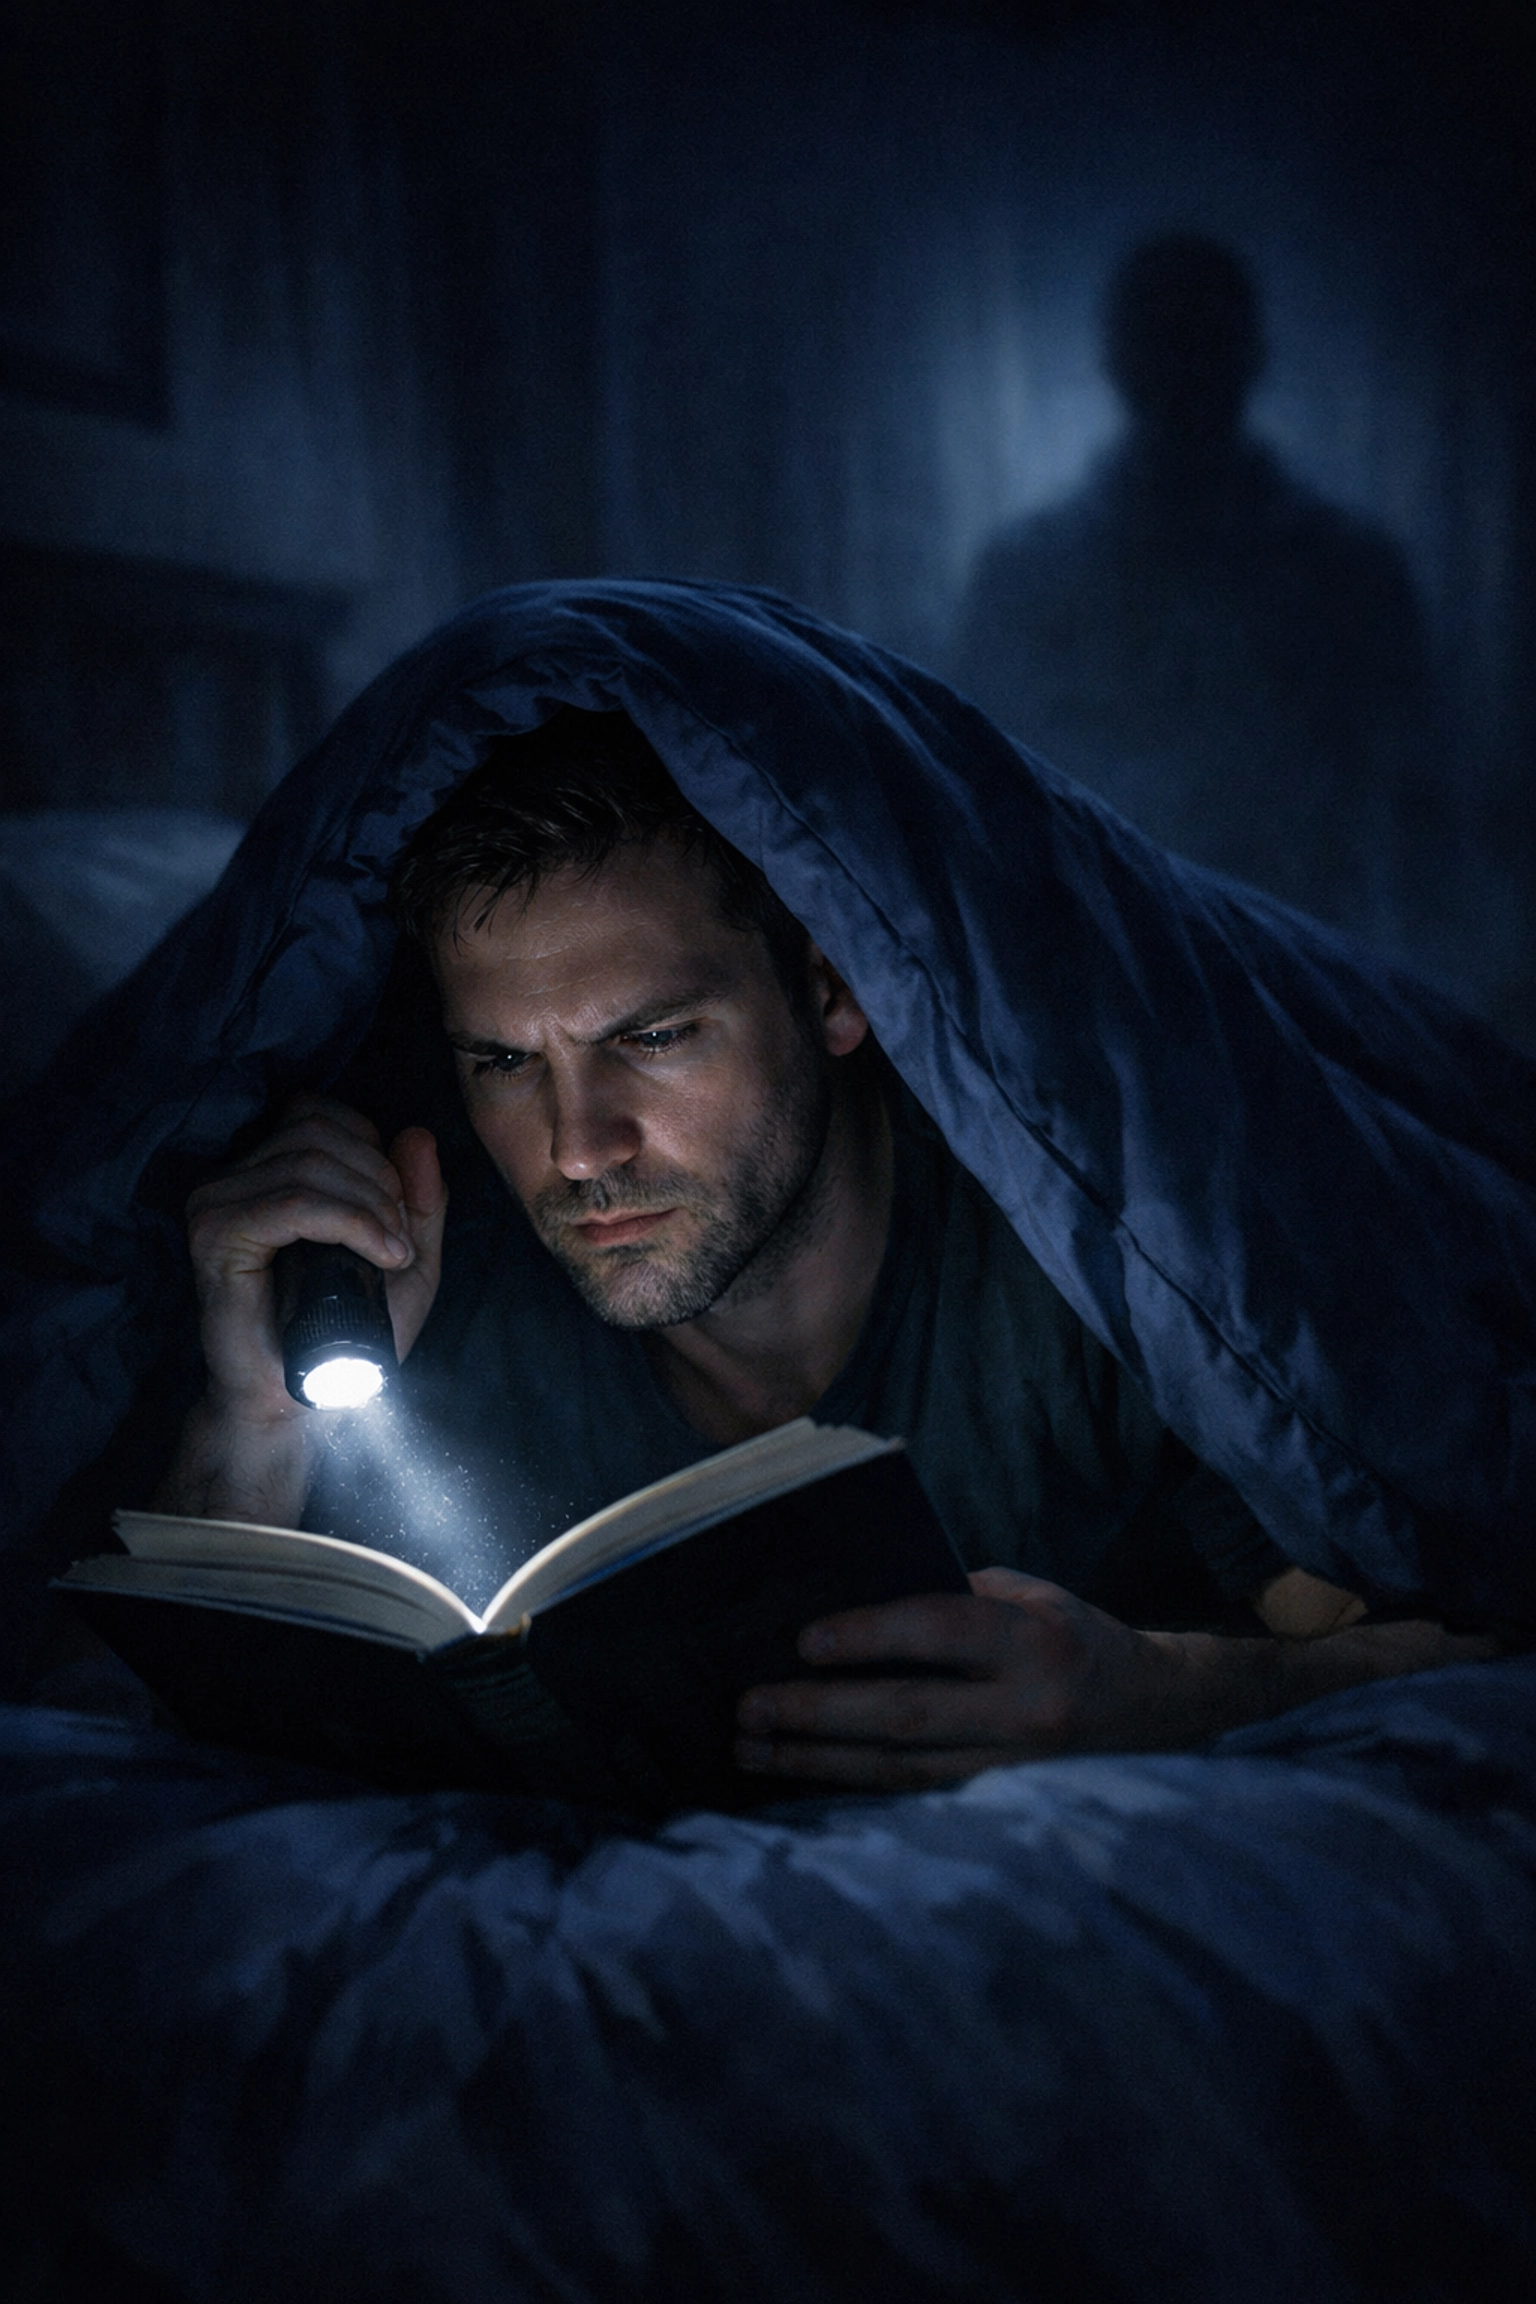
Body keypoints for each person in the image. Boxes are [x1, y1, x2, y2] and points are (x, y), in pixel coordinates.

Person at [155, 707, 1494, 1792]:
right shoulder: (439, 1283)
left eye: (652, 1037)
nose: (578, 1149)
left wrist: (1164, 1696)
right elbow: (177, 1714)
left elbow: (1459, 1655)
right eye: (506, 1062)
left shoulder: (1089, 1250)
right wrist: (258, 1417)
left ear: (833, 991)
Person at [951, 235, 1455, 977]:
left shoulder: (1349, 574)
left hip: (1297, 974)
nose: (1182, 369)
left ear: (1250, 355)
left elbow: (1421, 819)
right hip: (1098, 974)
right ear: (1118, 360)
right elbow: (980, 805)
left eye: (1203, 339)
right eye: (1162, 339)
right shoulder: (1028, 575)